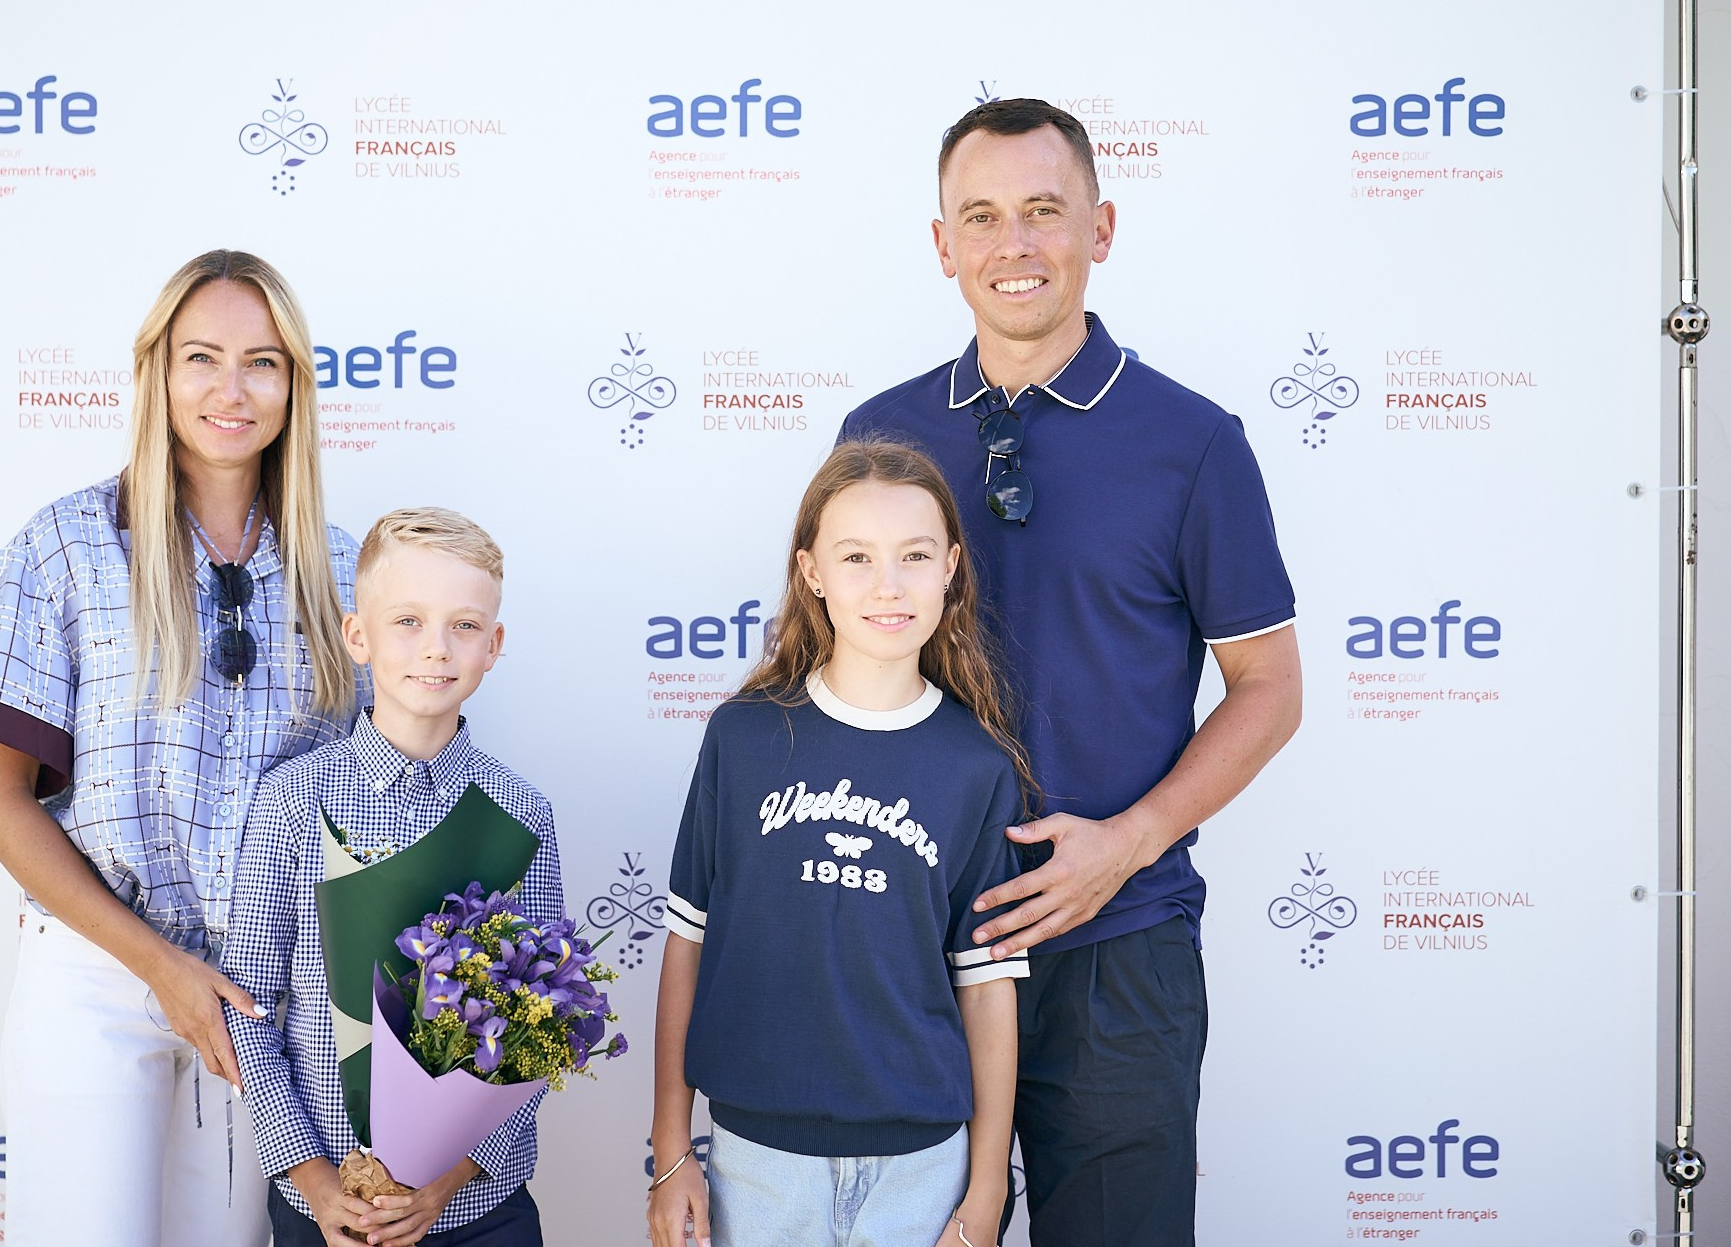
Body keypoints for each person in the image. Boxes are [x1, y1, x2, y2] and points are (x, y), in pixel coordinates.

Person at [840, 98, 1304, 1246]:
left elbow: (1268, 688)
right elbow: (830, 678)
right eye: (981, 217)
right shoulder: (876, 438)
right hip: (910, 949)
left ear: (1099, 228)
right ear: (941, 245)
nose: (1014, 246)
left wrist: (1127, 842)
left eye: (1044, 212)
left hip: (1117, 950)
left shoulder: (1191, 442)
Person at [0, 249, 364, 1247]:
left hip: (255, 1002)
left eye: (261, 362)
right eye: (200, 357)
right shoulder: (64, 546)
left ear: (294, 385)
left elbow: (374, 795)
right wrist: (160, 968)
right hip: (96, 976)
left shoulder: (342, 571)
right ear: (155, 374)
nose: (230, 388)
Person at [648, 440, 1032, 1247]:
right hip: (757, 1162)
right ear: (812, 571)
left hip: (923, 1167)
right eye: (856, 556)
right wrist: (670, 1152)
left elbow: (988, 986)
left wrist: (988, 1187)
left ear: (952, 567)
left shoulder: (976, 765)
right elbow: (687, 943)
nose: (887, 584)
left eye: (915, 556)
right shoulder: (745, 737)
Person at [224, 507, 561, 1247]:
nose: (436, 649)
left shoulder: (522, 814)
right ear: (357, 635)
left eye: (464, 626)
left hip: (479, 1215)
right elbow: (246, 1007)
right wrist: (311, 1178)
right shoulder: (292, 801)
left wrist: (447, 1184)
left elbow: (541, 1030)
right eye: (407, 620)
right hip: (326, 1208)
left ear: (494, 644)